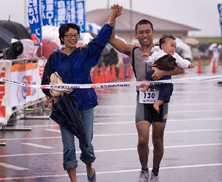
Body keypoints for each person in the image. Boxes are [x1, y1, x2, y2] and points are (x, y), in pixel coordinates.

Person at [41, 5, 121, 182]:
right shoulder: (54, 57)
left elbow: (100, 41)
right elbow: (44, 83)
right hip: (64, 106)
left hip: (85, 104)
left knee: (86, 143)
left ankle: (89, 165)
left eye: (75, 35)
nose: (72, 38)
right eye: (68, 35)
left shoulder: (84, 53)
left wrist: (112, 18)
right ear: (62, 37)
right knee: (68, 146)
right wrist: (53, 91)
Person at [109, 6, 184, 182]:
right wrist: (113, 16)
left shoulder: (164, 50)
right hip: (142, 98)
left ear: (153, 32)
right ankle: (144, 170)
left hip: (161, 98)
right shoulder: (132, 50)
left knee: (157, 140)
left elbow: (180, 68)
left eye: (147, 32)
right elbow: (111, 38)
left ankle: (155, 173)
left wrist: (163, 73)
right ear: (136, 34)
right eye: (141, 32)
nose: (145, 35)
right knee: (143, 140)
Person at [141, 34, 195, 113]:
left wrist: (188, 64)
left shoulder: (175, 56)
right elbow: (151, 61)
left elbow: (182, 62)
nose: (173, 48)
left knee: (168, 88)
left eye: (175, 47)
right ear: (163, 46)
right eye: (172, 46)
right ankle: (146, 85)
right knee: (149, 73)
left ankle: (158, 103)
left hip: (166, 76)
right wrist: (147, 58)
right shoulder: (157, 53)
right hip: (155, 72)